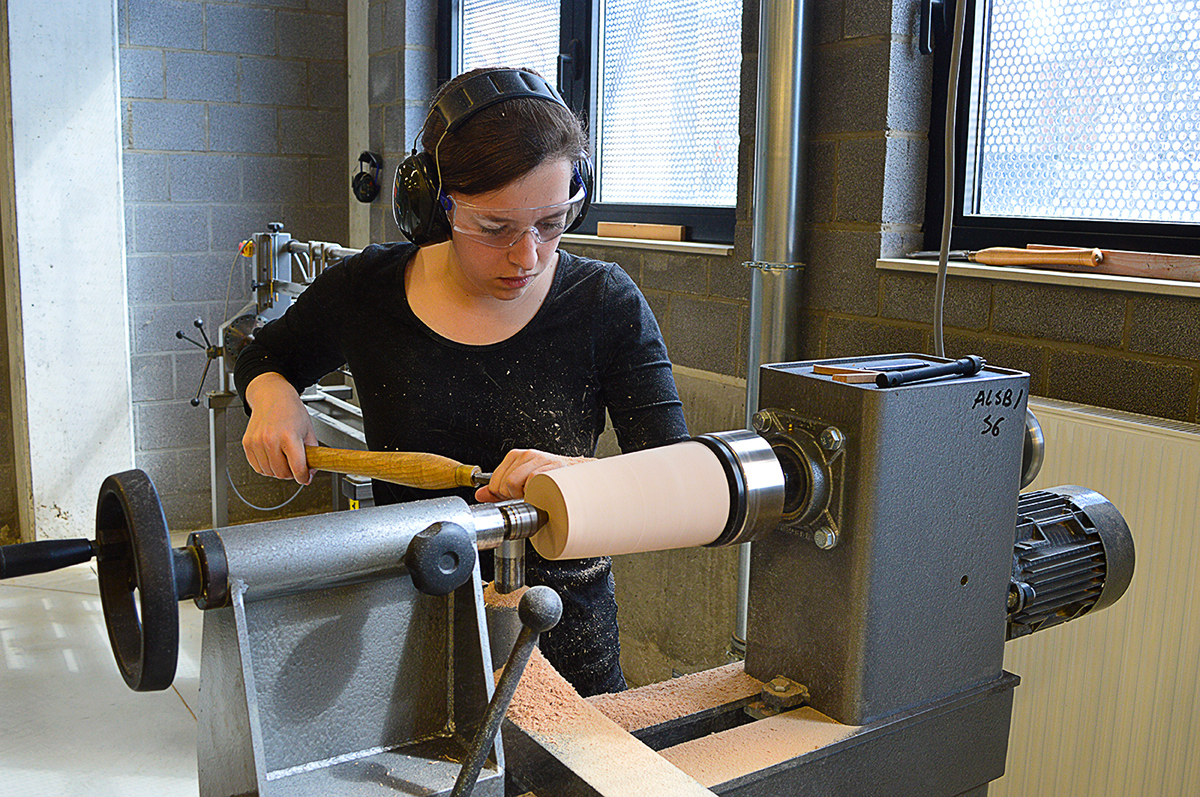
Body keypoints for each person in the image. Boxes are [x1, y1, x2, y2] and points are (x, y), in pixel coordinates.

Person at [234, 66, 688, 697]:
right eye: (495, 228)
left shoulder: (604, 302)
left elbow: (675, 483)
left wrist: (579, 479)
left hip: (562, 641)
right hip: (415, 624)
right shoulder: (367, 291)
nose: (527, 256)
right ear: (431, 206)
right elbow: (264, 355)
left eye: (552, 221)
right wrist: (273, 395)